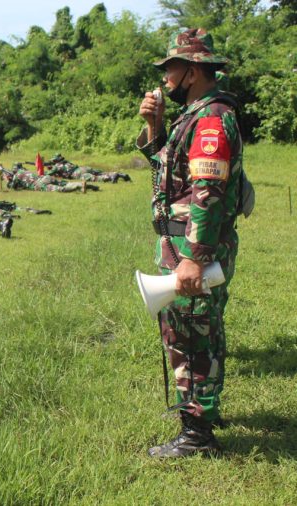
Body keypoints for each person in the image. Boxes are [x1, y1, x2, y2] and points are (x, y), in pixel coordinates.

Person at [137, 28, 243, 458]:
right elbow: (170, 172)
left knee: (191, 334)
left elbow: (207, 191)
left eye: (171, 68)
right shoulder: (195, 114)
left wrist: (194, 259)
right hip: (186, 245)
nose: (165, 77)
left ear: (193, 71)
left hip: (192, 248)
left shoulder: (211, 119)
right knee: (200, 329)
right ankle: (200, 408)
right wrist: (153, 126)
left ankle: (197, 435)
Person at [1, 164, 98, 193]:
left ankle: (79, 186)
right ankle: (87, 185)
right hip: (46, 178)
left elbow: (13, 187)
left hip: (39, 184)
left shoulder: (17, 175)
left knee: (61, 189)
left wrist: (7, 180)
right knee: (64, 183)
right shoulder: (26, 171)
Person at [45, 154, 131, 183]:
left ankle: (110, 177)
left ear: (55, 160)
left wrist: (45, 171)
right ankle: (118, 174)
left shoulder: (56, 166)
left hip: (77, 173)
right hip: (83, 168)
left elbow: (48, 174)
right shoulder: (66, 162)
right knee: (100, 172)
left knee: (95, 178)